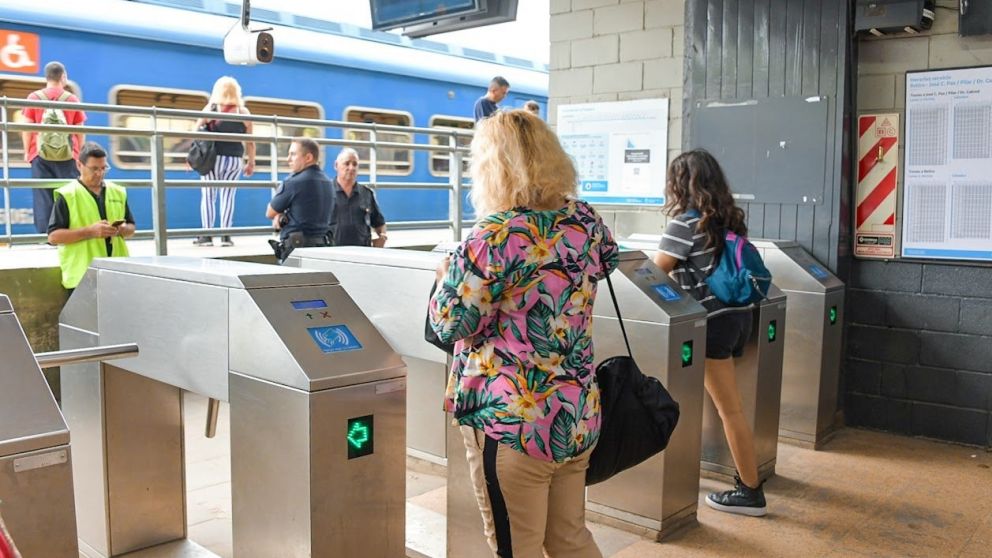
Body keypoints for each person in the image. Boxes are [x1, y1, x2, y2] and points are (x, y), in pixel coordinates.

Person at [429, 109, 619, 557]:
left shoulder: (492, 238)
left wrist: (445, 276)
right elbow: (607, 261)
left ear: (493, 166)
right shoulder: (585, 221)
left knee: (518, 547)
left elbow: (448, 324)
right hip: (577, 414)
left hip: (514, 423)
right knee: (570, 537)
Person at [652, 149, 767, 517]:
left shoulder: (685, 224)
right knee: (726, 406)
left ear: (680, 183)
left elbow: (655, 272)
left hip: (711, 324)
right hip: (738, 319)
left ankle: (750, 491)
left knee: (729, 410)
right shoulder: (727, 221)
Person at [48, 142, 135, 291]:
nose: (99, 174)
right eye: (94, 169)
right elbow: (54, 237)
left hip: (116, 276)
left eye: (103, 168)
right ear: (79, 165)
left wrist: (122, 229)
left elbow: (131, 227)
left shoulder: (118, 192)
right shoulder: (67, 195)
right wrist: (90, 231)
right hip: (82, 279)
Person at [20, 61, 86, 234]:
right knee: (68, 193)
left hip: (40, 155)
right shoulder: (72, 99)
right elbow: (80, 131)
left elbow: (26, 128)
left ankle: (46, 235)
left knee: (43, 196)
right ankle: (68, 232)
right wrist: (79, 155)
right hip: (68, 156)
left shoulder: (34, 98)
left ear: (46, 77)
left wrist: (28, 152)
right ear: (63, 77)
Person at [193, 76, 255, 247]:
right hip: (235, 160)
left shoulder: (211, 109)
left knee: (208, 196)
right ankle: (226, 236)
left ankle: (207, 236)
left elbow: (196, 132)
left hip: (213, 159)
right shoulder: (243, 113)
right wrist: (251, 162)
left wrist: (192, 157)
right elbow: (250, 141)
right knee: (228, 197)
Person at [265, 138, 334, 263]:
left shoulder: (294, 182)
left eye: (293, 154)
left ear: (308, 158)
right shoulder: (328, 182)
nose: (288, 159)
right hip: (323, 247)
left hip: (296, 251)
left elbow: (270, 212)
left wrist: (280, 214)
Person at [328, 148, 387, 247]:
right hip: (332, 252)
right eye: (346, 163)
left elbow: (379, 223)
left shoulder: (366, 194)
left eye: (355, 164)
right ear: (336, 165)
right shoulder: (325, 192)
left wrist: (382, 236)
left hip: (361, 253)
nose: (351, 168)